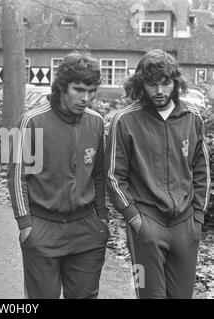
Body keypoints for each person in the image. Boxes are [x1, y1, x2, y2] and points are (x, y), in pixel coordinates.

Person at [106, 49, 210, 299]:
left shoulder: (192, 118)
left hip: (185, 225)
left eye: (166, 83)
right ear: (141, 84)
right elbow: (113, 176)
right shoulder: (124, 121)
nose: (160, 91)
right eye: (152, 84)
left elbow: (201, 170)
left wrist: (197, 216)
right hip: (145, 226)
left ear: (176, 83)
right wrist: (134, 219)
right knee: (147, 294)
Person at [7, 52, 109, 299]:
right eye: (79, 89)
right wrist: (25, 225)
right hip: (43, 227)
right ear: (62, 86)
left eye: (92, 91)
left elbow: (99, 174)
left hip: (86, 228)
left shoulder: (96, 122)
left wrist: (102, 219)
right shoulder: (31, 121)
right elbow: (17, 175)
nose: (86, 98)